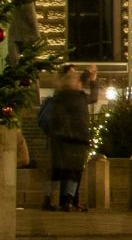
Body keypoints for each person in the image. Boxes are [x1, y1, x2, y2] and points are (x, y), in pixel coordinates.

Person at [39, 66, 92, 211]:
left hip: (61, 139)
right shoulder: (77, 98)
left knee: (58, 172)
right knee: (72, 173)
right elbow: (80, 119)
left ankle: (51, 199)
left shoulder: (59, 97)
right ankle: (67, 201)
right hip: (75, 139)